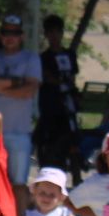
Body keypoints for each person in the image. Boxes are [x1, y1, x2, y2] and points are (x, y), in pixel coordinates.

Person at [0, 14, 42, 196]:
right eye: (5, 32)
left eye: (14, 33)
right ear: (0, 35)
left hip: (19, 132)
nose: (10, 37)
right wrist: (14, 82)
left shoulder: (31, 58)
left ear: (22, 36)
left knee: (18, 184)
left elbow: (28, 91)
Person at [36, 15, 82, 178]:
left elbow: (72, 77)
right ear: (46, 35)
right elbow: (47, 78)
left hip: (68, 108)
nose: (54, 36)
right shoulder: (43, 58)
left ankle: (76, 175)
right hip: (51, 107)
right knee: (50, 147)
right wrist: (59, 82)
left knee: (72, 145)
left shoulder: (70, 54)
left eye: (57, 32)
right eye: (51, 32)